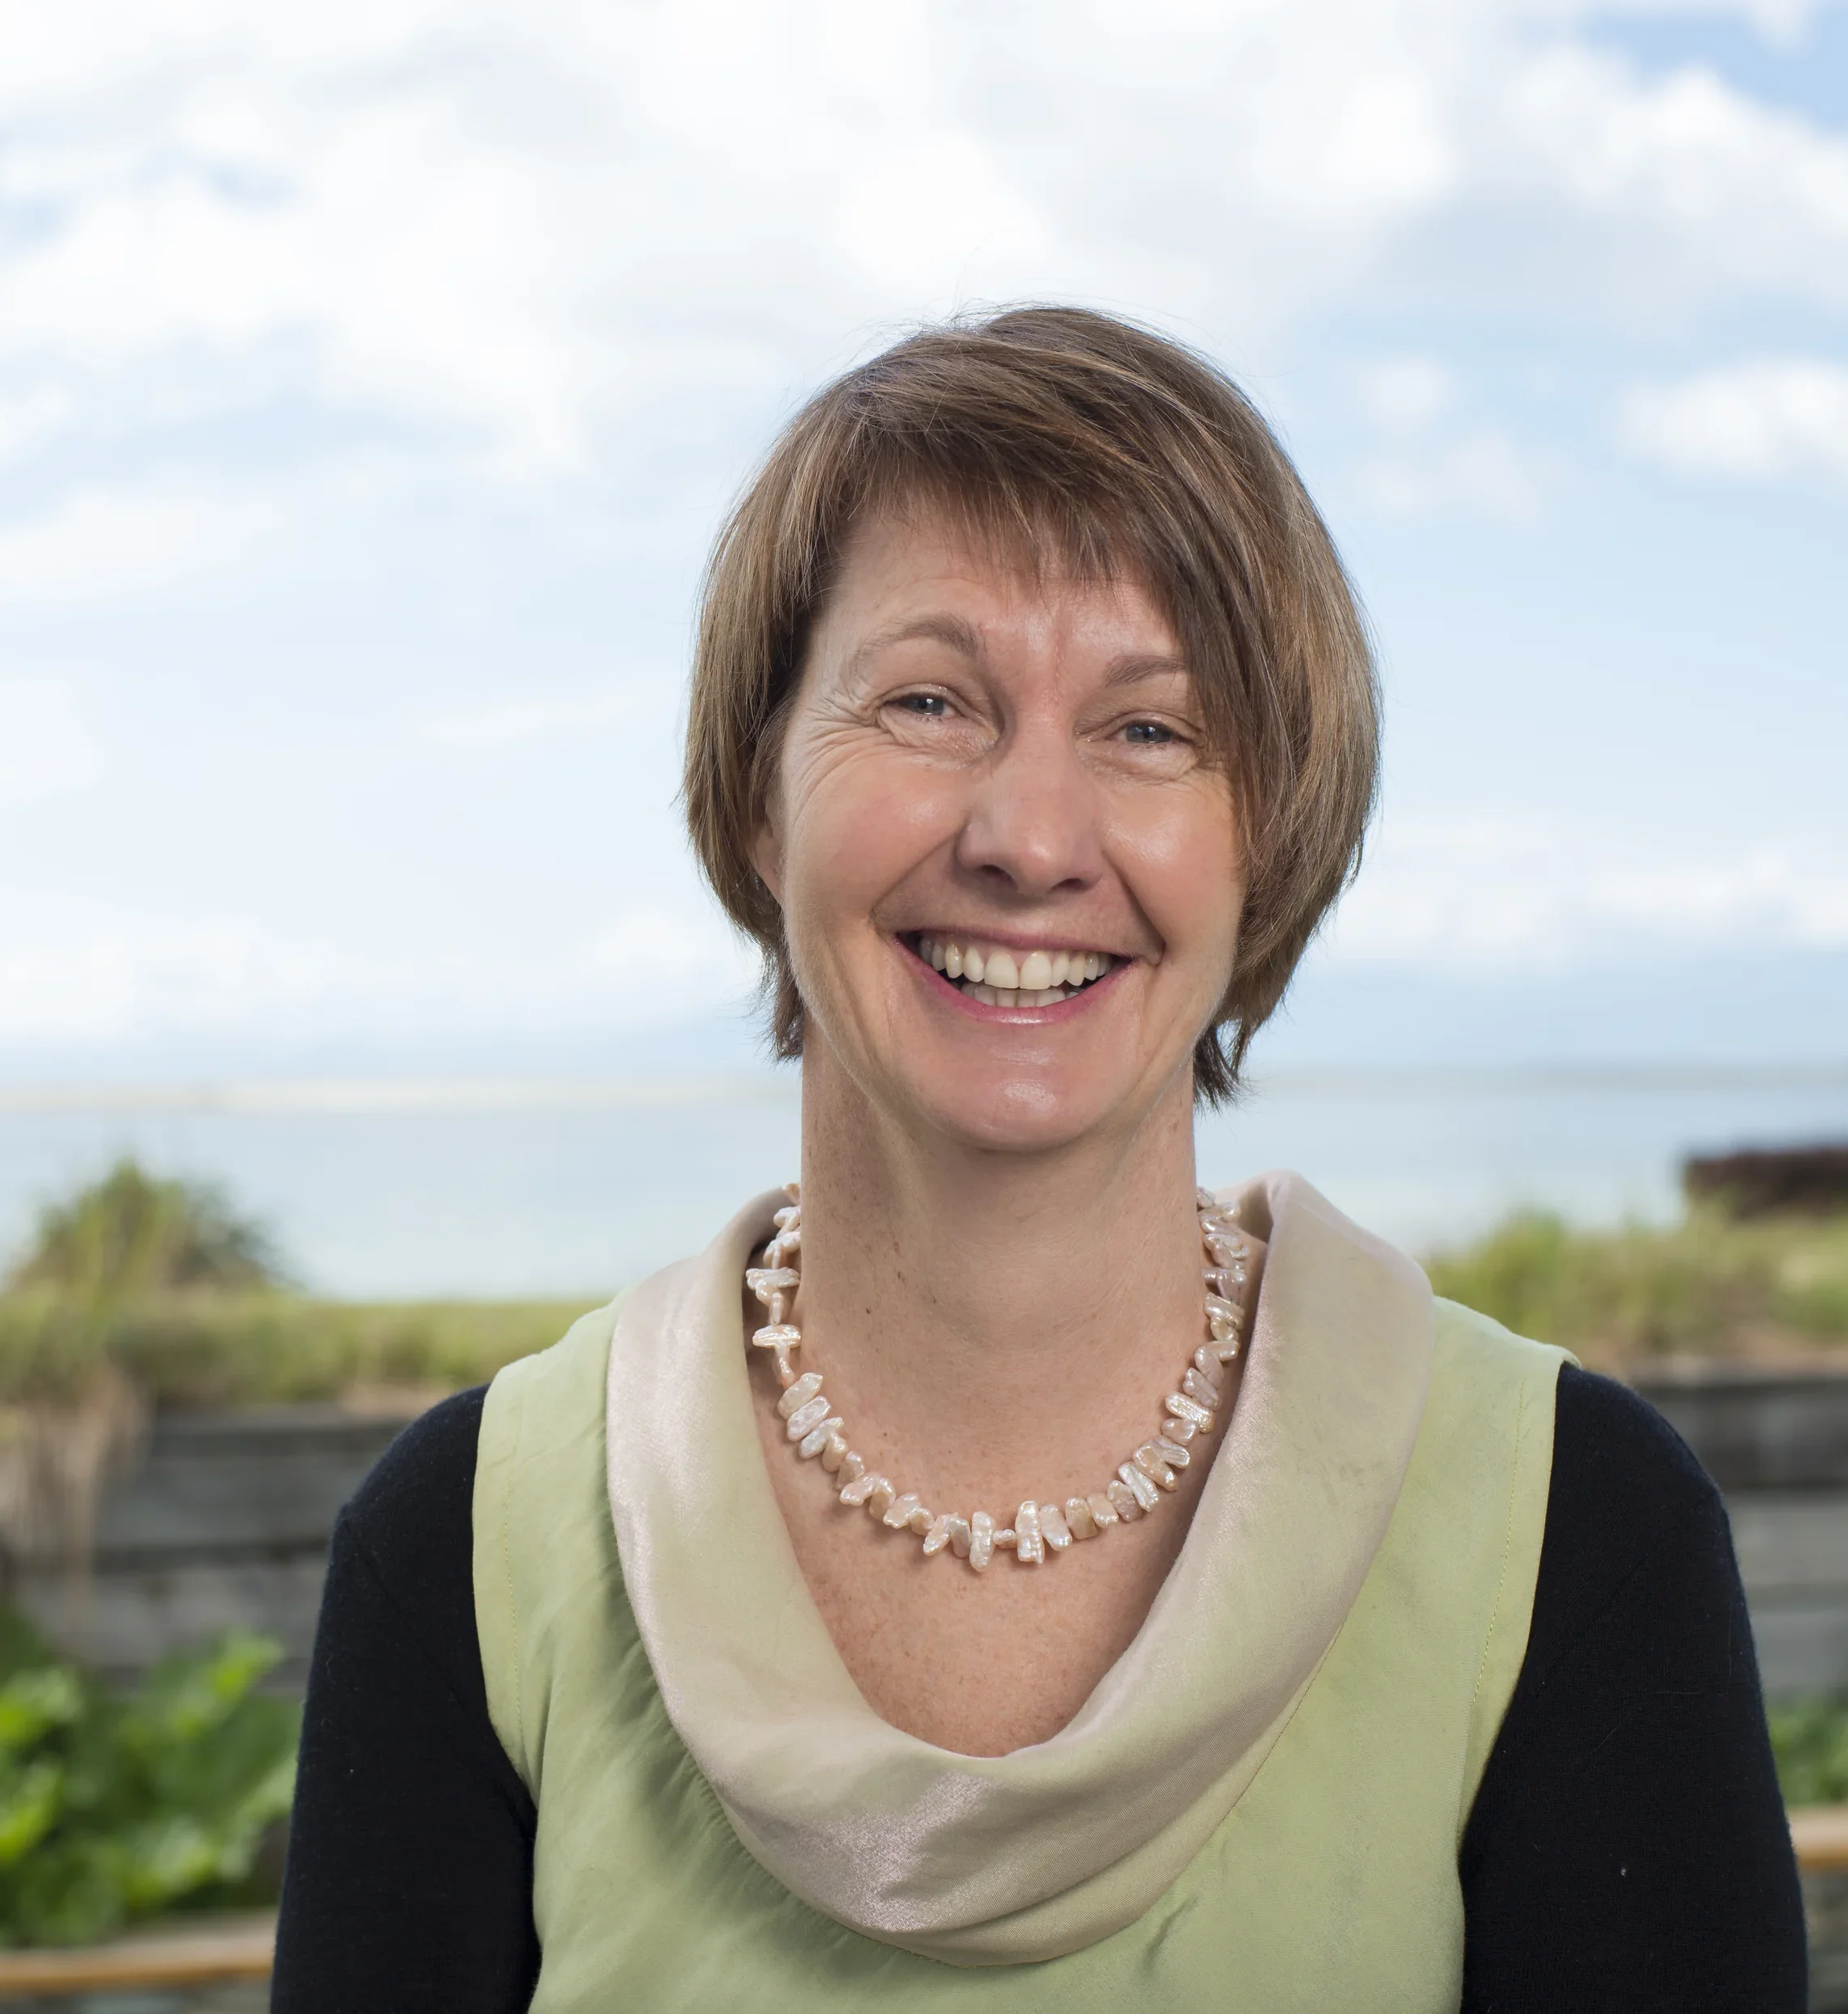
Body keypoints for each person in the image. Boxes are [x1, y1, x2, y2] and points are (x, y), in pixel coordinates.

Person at [271, 308, 1806, 2011]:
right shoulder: (470, 1549)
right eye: (928, 701)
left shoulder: (1571, 1533)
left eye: (1150, 729)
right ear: (760, 793)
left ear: (1270, 834)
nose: (1027, 839)